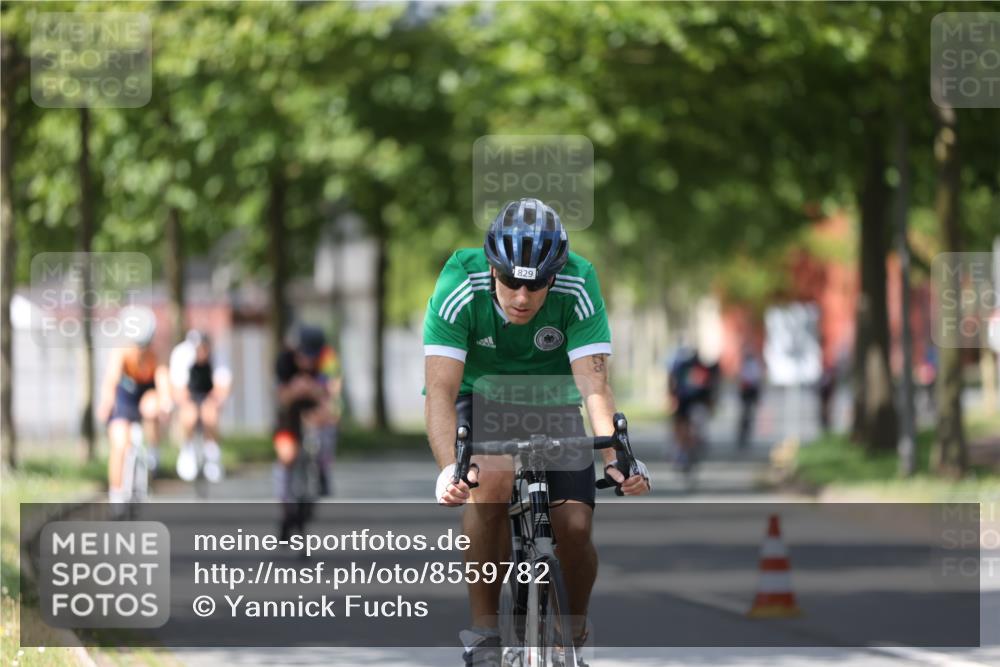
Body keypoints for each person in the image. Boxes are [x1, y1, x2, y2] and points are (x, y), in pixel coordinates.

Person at [424, 197, 651, 667]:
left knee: (574, 525)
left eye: (536, 285)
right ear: (492, 267)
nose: (522, 298)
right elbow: (440, 392)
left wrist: (616, 457)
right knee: (490, 483)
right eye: (510, 282)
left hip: (551, 399)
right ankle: (485, 635)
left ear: (555, 274)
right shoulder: (458, 283)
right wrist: (451, 469)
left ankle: (574, 628)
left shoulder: (579, 281)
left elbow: (594, 386)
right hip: (478, 395)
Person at [96, 305, 171, 508]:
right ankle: (117, 492)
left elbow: (163, 382)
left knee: (152, 406)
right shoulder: (120, 353)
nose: (141, 350)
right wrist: (105, 404)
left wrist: (166, 404)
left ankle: (154, 452)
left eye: (145, 345)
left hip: (146, 395)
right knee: (120, 444)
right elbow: (110, 382)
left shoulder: (157, 354)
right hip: (124, 400)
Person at [273, 325, 342, 540]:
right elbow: (282, 397)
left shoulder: (328, 358)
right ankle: (286, 506)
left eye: (313, 356)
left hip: (316, 405)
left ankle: (322, 467)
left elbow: (333, 392)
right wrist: (296, 390)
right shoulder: (284, 360)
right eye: (304, 355)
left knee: (328, 423)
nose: (308, 361)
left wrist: (314, 390)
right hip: (290, 411)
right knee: (287, 456)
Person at [170, 330, 233, 483]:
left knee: (210, 413)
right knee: (189, 414)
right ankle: (188, 449)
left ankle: (212, 452)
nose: (201, 352)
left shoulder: (219, 356)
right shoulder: (181, 356)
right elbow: (178, 390)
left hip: (209, 394)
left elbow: (223, 387)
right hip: (189, 394)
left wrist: (213, 402)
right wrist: (188, 404)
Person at [667, 343, 717, 469]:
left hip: (692, 402)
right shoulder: (687, 368)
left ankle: (687, 448)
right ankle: (684, 450)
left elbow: (708, 387)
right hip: (689, 401)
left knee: (686, 425)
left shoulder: (683, 367)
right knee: (683, 425)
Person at [736, 344, 764, 449]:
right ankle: (743, 433)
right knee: (745, 413)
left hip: (751, 391)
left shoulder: (753, 364)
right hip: (746, 391)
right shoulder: (746, 364)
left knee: (749, 413)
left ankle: (746, 432)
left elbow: (756, 379)